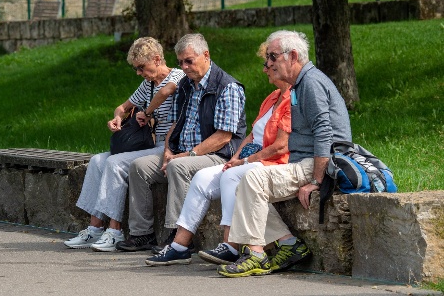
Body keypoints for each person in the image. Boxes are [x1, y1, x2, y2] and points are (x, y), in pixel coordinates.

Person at [217, 30, 352, 278]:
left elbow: (325, 133)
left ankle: (256, 254)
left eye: (272, 56)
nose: (267, 63)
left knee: (252, 179)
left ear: (292, 56)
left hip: (319, 163)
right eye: (267, 58)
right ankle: (288, 244)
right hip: (303, 161)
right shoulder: (300, 84)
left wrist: (316, 182)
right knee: (243, 181)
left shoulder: (310, 83)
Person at [145, 42, 292, 266]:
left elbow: (279, 146)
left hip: (270, 162)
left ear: (206, 55)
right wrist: (237, 158)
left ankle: (231, 245)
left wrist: (241, 160)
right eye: (180, 62)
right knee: (203, 178)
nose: (264, 69)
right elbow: (252, 135)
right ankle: (179, 246)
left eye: (269, 63)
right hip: (249, 159)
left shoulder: (288, 98)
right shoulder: (272, 97)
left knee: (229, 176)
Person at [115, 33, 247, 253]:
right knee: (138, 167)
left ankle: (178, 239)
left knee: (178, 167)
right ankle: (141, 234)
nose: (184, 67)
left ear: (206, 55)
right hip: (182, 153)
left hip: (217, 155)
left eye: (189, 61)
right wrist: (167, 150)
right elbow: (175, 125)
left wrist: (187, 156)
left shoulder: (227, 87)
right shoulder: (186, 85)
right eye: (181, 63)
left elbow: (223, 137)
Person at [64, 37, 184, 251]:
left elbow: (166, 92)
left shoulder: (178, 75)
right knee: (97, 161)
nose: (139, 72)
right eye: (136, 68)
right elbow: (122, 107)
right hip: (149, 146)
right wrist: (117, 118)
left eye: (141, 67)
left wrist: (147, 113)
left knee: (115, 163)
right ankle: (95, 228)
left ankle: (115, 231)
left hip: (169, 147)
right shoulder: (147, 84)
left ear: (157, 59)